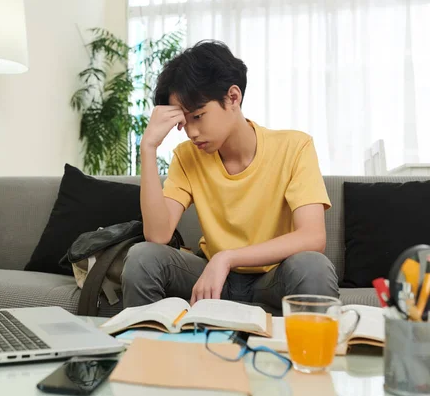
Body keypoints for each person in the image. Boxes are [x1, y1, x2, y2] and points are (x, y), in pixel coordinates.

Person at [122, 40, 338, 311]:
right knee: (143, 257)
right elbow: (158, 235)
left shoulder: (295, 147)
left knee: (312, 266)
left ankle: (312, 354)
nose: (191, 132)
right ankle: (146, 350)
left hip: (272, 278)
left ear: (233, 98)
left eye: (198, 116)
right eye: (184, 122)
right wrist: (148, 147)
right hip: (209, 280)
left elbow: (312, 237)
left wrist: (226, 258)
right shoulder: (187, 156)